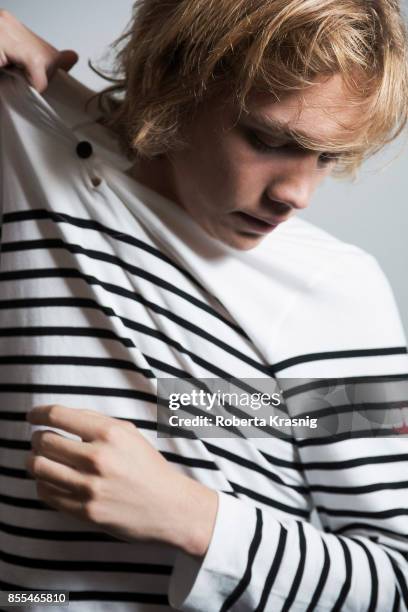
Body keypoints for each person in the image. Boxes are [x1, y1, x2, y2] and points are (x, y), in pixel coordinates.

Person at [0, 2, 407, 611]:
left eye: (326, 157)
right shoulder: (23, 151)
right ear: (172, 78)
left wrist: (195, 519)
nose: (297, 193)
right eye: (270, 140)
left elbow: (395, 579)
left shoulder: (335, 289)